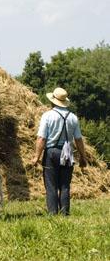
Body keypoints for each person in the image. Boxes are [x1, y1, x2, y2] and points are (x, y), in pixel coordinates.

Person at [33, 87, 87, 215]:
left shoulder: (47, 116)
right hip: (67, 152)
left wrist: (36, 157)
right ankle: (64, 214)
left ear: (53, 101)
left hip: (52, 152)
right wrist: (83, 157)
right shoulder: (73, 117)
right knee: (65, 185)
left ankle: (52, 214)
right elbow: (78, 139)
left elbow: (41, 138)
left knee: (51, 185)